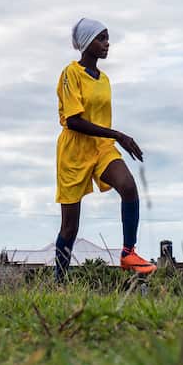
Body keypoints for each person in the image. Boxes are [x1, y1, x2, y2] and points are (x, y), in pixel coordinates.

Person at [53, 19, 155, 279]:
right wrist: (118, 134)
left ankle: (128, 253)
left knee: (129, 186)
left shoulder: (105, 79)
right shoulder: (70, 73)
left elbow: (100, 120)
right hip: (74, 152)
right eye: (101, 38)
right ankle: (59, 282)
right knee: (69, 227)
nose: (107, 44)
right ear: (87, 43)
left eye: (108, 38)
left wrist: (113, 138)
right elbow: (74, 121)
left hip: (102, 147)